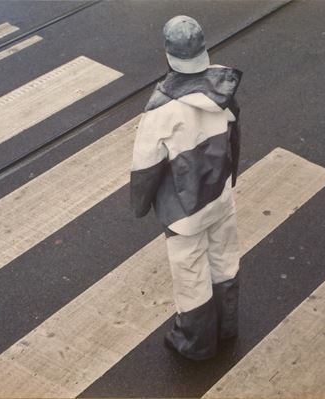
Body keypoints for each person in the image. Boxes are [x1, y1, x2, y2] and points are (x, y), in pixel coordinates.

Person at [130, 15, 243, 360]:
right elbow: (234, 142)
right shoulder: (223, 88)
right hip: (220, 197)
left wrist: (140, 205)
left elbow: (145, 167)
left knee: (191, 274)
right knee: (224, 260)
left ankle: (196, 343)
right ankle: (227, 327)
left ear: (168, 54)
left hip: (184, 211)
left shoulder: (161, 109)